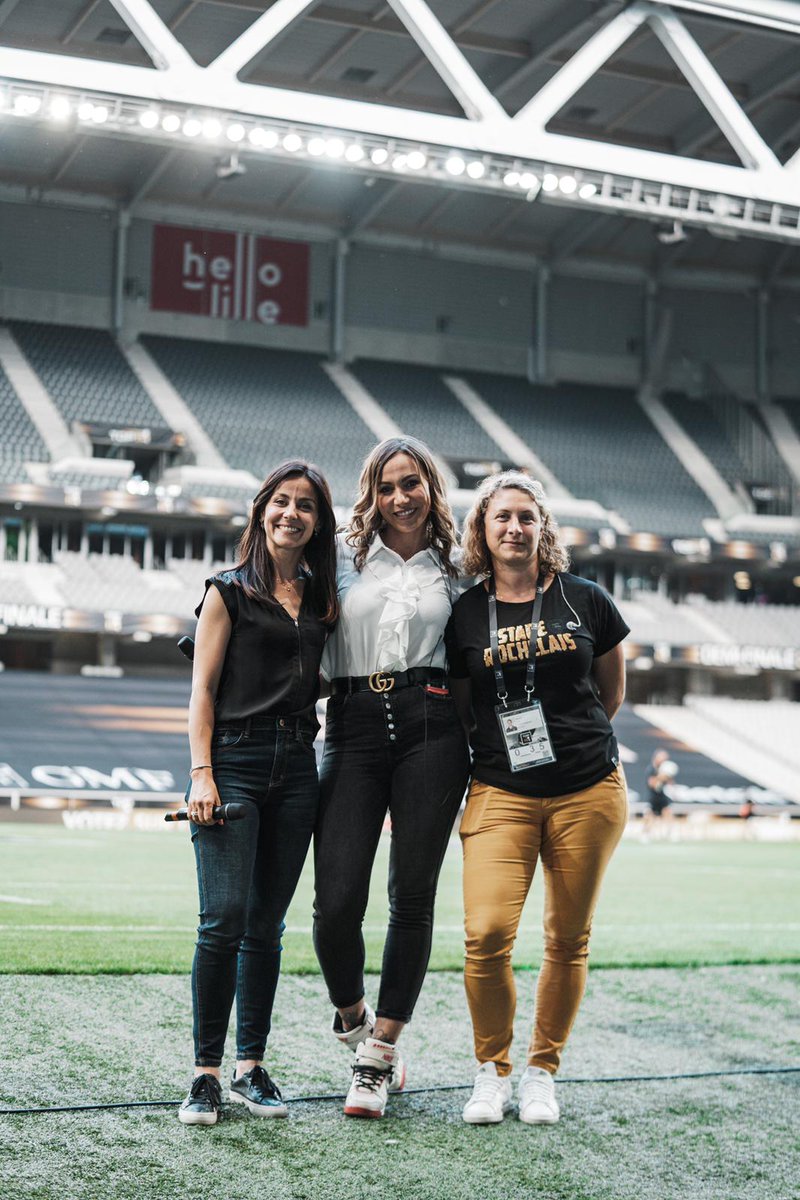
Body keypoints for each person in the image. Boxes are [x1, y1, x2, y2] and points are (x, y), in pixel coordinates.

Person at [445, 471, 630, 1127]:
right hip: (502, 788)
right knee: (487, 933)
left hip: (588, 789)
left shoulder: (586, 599)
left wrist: (572, 745)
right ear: (483, 530)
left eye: (527, 516)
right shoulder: (466, 612)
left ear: (542, 526)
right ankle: (492, 1070)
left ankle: (542, 1071)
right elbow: (466, 708)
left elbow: (609, 692)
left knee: (567, 939)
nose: (515, 528)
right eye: (502, 518)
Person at [313, 436, 470, 1119]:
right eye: (387, 486)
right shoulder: (341, 560)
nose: (400, 497)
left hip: (433, 723)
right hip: (349, 721)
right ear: (371, 495)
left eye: (412, 483)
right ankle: (353, 1018)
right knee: (335, 901)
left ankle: (378, 1056)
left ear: (431, 489)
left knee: (412, 895)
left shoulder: (461, 571)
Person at [178, 460, 338, 1127]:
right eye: (281, 502)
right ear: (261, 510)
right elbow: (203, 690)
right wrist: (201, 773)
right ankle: (205, 1073)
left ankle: (250, 1065)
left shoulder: (324, 598)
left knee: (267, 925)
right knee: (225, 917)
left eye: (305, 505)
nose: (291, 514)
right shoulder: (227, 591)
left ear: (317, 522)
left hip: (298, 765)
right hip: (234, 762)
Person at [643, 749, 678, 839]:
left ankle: (671, 834)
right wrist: (661, 776)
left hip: (662, 795)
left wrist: (673, 790)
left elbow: (670, 781)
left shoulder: (664, 768)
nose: (664, 760)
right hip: (653, 796)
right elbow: (652, 784)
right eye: (662, 758)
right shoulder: (651, 769)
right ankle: (646, 834)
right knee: (649, 815)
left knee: (668, 812)